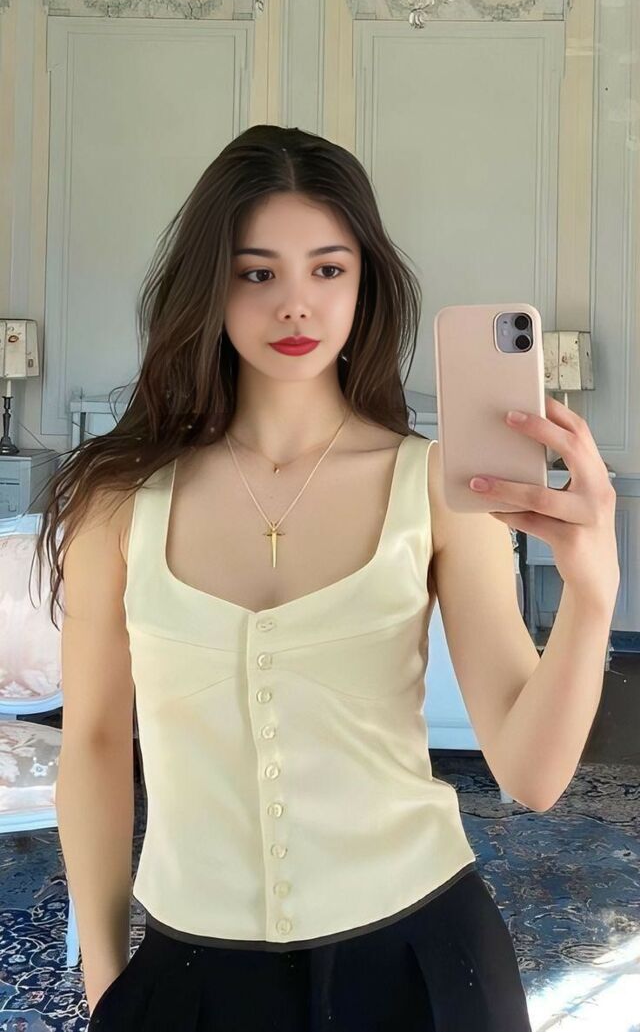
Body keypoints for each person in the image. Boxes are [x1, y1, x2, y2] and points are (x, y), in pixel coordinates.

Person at [40, 125, 533, 1031]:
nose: (296, 304)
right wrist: (107, 982)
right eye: (257, 272)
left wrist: (593, 579)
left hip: (427, 958)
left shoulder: (434, 486)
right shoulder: (120, 499)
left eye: (328, 269)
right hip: (192, 967)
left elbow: (530, 772)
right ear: (210, 285)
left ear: (364, 282)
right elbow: (98, 741)